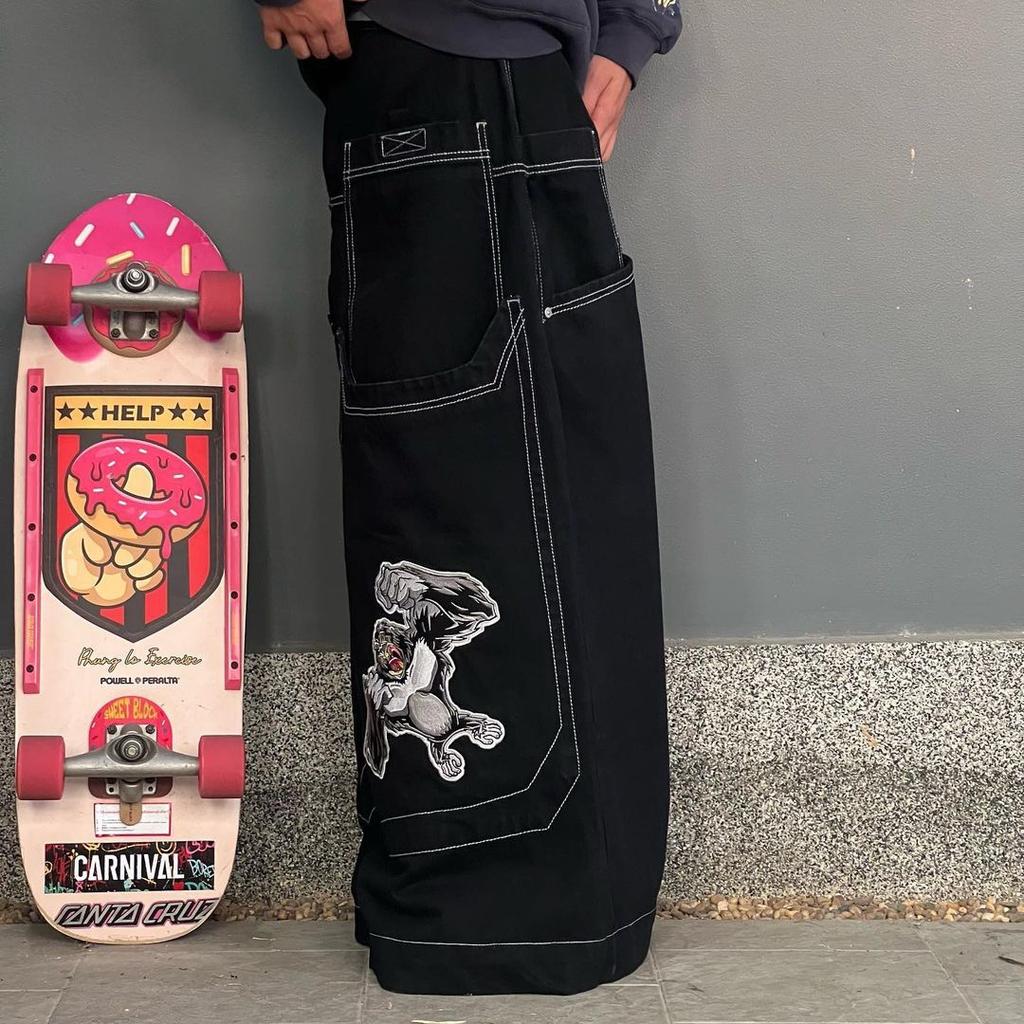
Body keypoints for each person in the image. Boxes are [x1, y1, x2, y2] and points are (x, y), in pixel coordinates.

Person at [256, 0, 680, 997]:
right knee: (454, 509)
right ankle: (479, 911)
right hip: (434, 73)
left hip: (524, 90)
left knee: (579, 510)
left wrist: (631, 30)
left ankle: (548, 910)